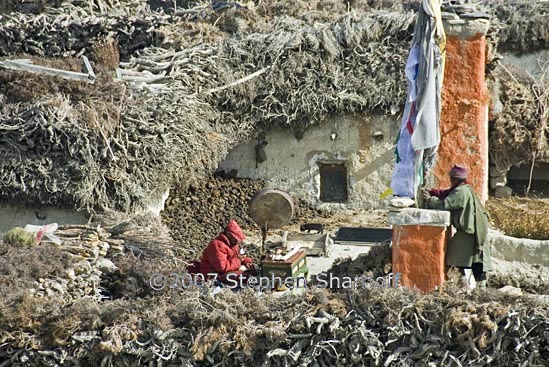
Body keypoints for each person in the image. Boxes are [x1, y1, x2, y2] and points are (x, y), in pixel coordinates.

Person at [421, 165, 491, 288]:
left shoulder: (460, 192)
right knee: (474, 259)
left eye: (452, 178)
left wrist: (430, 199)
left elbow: (445, 204)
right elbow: (447, 193)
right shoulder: (464, 189)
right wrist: (434, 192)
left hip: (469, 232)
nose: (451, 180)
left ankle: (472, 286)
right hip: (475, 230)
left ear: (456, 180)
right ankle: (475, 286)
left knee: (458, 257)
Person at [200, 220, 255, 284]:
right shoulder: (217, 245)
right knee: (243, 276)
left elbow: (240, 256)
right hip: (213, 275)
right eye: (236, 239)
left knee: (251, 271)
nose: (238, 241)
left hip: (226, 271)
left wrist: (246, 262)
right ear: (228, 234)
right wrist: (239, 261)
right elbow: (222, 267)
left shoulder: (233, 244)